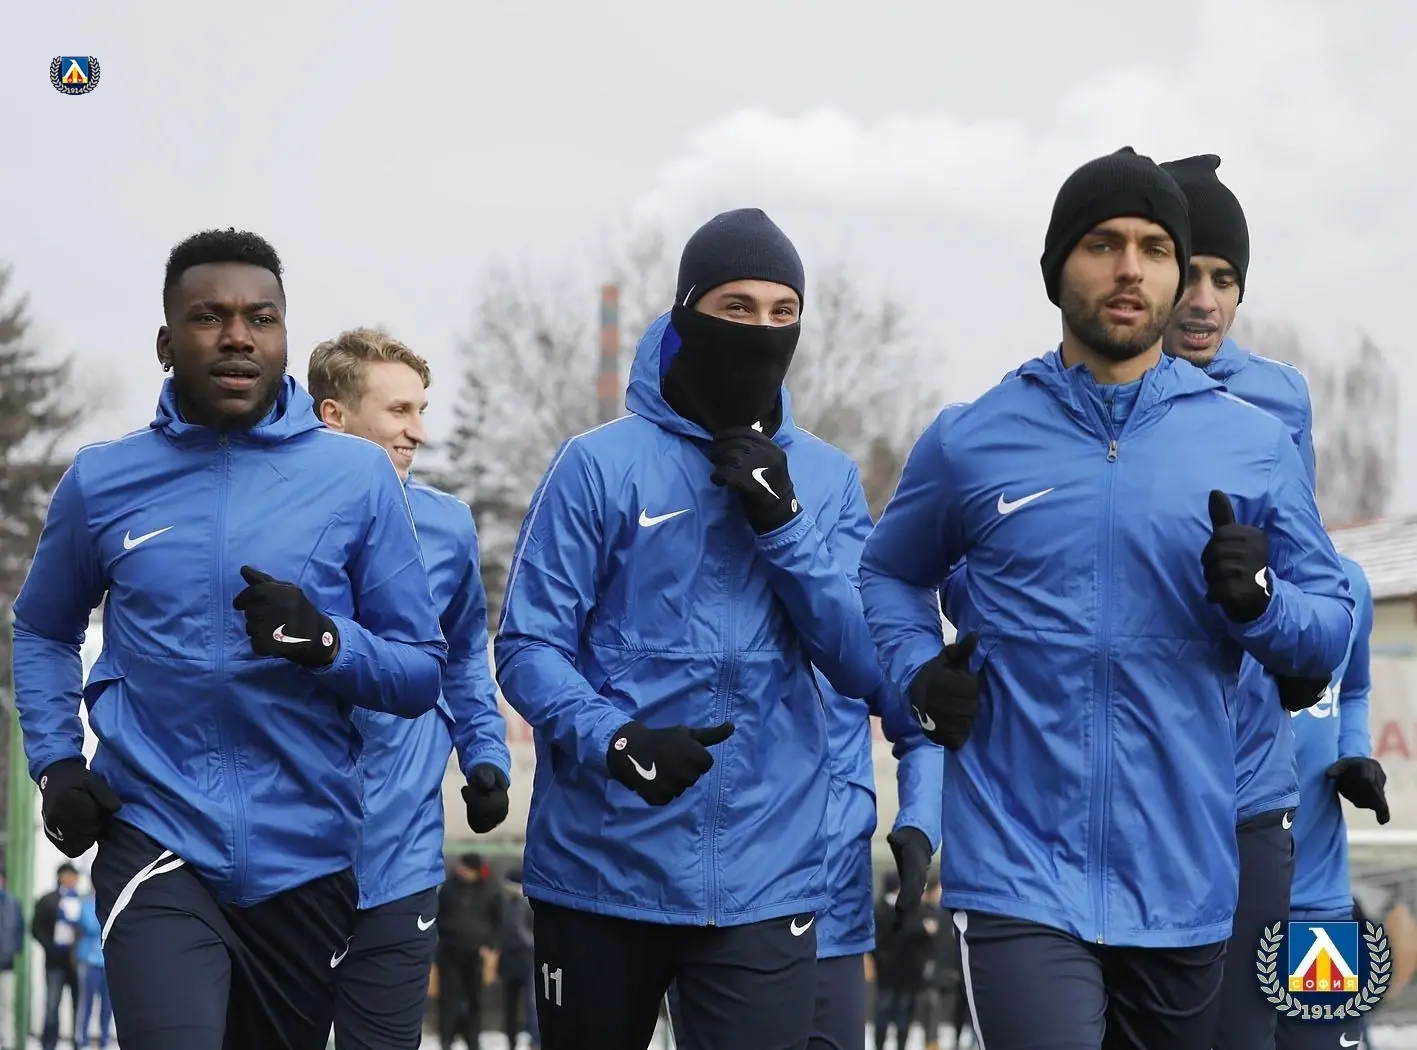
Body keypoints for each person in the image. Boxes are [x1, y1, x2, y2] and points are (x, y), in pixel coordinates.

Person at [859, 147, 1355, 1050]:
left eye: (1154, 249)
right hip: (1018, 870)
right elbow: (888, 573)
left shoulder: (1250, 445)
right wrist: (918, 674)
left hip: (1184, 876)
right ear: (1057, 268)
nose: (1130, 268)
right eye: (1103, 244)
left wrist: (1261, 605)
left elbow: (1326, 632)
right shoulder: (972, 438)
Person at [10, 228, 449, 1050]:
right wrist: (58, 762)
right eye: (209, 317)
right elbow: (41, 627)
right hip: (156, 833)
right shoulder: (102, 480)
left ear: (283, 338)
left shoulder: (355, 477)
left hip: (308, 854)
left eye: (261, 318)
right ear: (166, 343)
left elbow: (420, 671)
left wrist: (327, 643)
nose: (238, 336)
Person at [496, 208, 888, 1050]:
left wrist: (784, 524)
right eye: (736, 307)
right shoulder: (596, 464)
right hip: (601, 870)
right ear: (686, 312)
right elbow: (526, 647)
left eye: (783, 312)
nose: (761, 330)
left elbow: (864, 662)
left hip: (765, 880)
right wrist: (614, 740)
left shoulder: (825, 478)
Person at [307, 327, 512, 1050]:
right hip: (287, 854)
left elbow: (464, 657)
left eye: (421, 410)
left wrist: (486, 754)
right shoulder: (273, 519)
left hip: (402, 855)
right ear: (334, 415)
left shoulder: (449, 525)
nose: (418, 431)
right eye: (399, 411)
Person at [1159, 153, 1322, 1050]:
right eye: (1187, 273)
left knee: (1244, 1032)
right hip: (1140, 775)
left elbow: (1310, 570)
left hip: (1252, 781)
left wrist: (1294, 643)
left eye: (1224, 279)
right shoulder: (1079, 398)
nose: (1202, 301)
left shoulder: (1279, 399)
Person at [1278, 554, 1388, 1050]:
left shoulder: (1350, 581)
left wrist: (1354, 753)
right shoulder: (1210, 577)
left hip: (1319, 902)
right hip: (1210, 906)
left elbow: (1355, 688)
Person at [435, 853, 503, 1049]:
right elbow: (438, 916)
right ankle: (446, 1039)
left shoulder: (491, 890)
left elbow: (498, 921)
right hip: (449, 951)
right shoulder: (448, 888)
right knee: (448, 998)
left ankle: (472, 1040)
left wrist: (490, 946)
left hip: (477, 954)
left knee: (474, 999)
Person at [31, 864, 81, 1050]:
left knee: (79, 1005)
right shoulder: (48, 900)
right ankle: (49, 1043)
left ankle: (78, 1041)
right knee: (52, 1005)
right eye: (68, 876)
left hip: (77, 963)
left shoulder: (82, 900)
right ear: (60, 877)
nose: (72, 880)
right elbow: (36, 928)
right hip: (55, 963)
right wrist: (51, 948)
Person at [497, 868, 539, 1050]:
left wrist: (527, 941)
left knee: (532, 1004)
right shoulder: (504, 905)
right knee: (509, 1005)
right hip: (509, 960)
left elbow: (532, 931)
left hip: (528, 959)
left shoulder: (529, 904)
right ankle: (511, 1041)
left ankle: (535, 1040)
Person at [75, 892, 112, 1048]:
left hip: (108, 962)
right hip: (90, 961)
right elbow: (90, 925)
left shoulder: (113, 899)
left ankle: (105, 1039)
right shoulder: (86, 902)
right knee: (86, 1003)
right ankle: (82, 1040)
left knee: (108, 1005)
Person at [0, 870, 25, 1050]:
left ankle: (7, 1041)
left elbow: (20, 929)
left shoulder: (13, 903)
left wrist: (15, 949)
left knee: (6, 1005)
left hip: (6, 964)